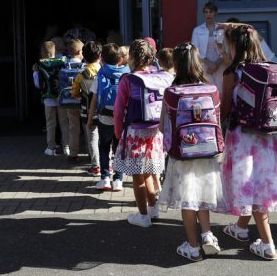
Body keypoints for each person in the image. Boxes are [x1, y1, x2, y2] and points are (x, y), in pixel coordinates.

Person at [216, 22, 277, 260]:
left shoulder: (233, 73)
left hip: (242, 138)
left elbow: (225, 108)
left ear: (234, 46)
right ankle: (241, 228)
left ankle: (267, 244)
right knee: (258, 184)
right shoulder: (269, 69)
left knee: (253, 190)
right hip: (267, 140)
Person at [157, 42, 227, 261]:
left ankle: (193, 247)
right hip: (207, 151)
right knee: (203, 195)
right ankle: (207, 235)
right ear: (198, 63)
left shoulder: (172, 93)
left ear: (176, 65)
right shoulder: (212, 90)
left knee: (188, 199)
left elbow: (162, 126)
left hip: (182, 154)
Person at [113, 39, 168, 227]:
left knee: (138, 176)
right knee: (149, 172)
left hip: (135, 132)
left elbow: (119, 110)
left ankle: (143, 216)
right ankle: (154, 208)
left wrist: (118, 132)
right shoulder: (160, 76)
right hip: (156, 133)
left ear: (132, 57)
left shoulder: (128, 79)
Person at [86, 43, 130, 191]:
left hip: (105, 116)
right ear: (120, 59)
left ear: (102, 58)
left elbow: (94, 98)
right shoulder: (127, 73)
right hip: (122, 117)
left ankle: (105, 178)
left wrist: (90, 118)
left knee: (104, 146)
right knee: (119, 147)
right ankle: (118, 179)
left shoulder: (101, 73)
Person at [71, 40, 101, 175]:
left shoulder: (81, 75)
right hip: (105, 110)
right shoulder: (104, 72)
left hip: (88, 111)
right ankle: (109, 164)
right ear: (100, 56)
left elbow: (75, 93)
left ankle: (96, 165)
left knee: (92, 138)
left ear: (84, 56)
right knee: (107, 138)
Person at [33, 41, 63, 156]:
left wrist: (35, 72)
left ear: (41, 53)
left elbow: (38, 84)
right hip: (60, 97)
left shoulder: (40, 66)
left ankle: (51, 147)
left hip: (48, 98)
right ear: (54, 52)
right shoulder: (60, 63)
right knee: (63, 123)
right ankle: (66, 146)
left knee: (50, 123)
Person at [191, 2, 226, 99]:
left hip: (220, 64)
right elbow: (195, 50)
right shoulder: (197, 30)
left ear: (215, 13)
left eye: (210, 12)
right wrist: (209, 64)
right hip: (204, 65)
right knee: (206, 92)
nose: (208, 14)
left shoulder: (221, 29)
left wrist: (216, 65)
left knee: (220, 92)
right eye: (206, 12)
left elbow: (225, 49)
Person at [58, 39, 83, 161]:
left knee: (73, 127)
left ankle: (73, 154)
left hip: (69, 101)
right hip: (82, 102)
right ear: (79, 51)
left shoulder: (64, 67)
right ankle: (90, 152)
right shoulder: (84, 68)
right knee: (87, 127)